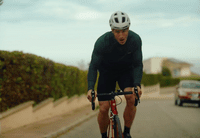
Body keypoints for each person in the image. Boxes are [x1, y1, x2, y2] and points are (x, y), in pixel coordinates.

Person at [87, 11, 143, 138]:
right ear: (112, 30)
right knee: (103, 107)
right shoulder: (102, 42)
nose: (121, 35)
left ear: (129, 28)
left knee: (132, 98)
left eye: (124, 30)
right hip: (107, 73)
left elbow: (138, 64)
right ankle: (104, 136)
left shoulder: (135, 40)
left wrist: (137, 84)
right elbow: (93, 66)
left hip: (125, 72)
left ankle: (127, 132)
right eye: (117, 31)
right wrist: (90, 88)